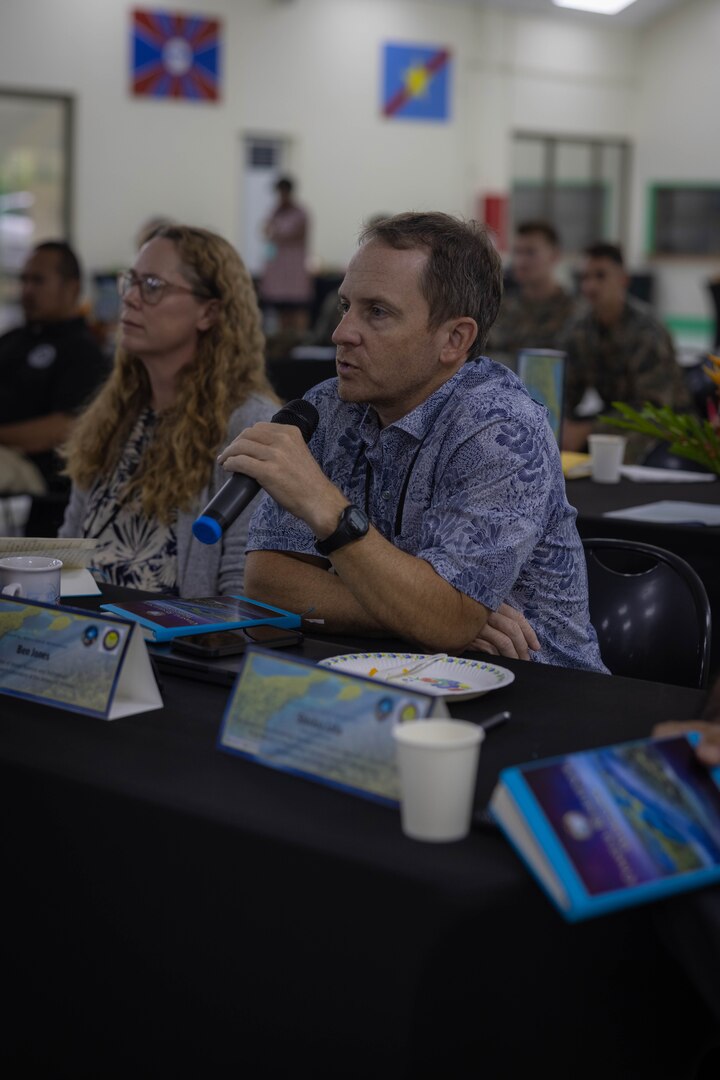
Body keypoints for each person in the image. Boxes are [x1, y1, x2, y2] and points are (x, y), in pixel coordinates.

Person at [219, 212, 605, 672]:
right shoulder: (328, 406)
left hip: (541, 689)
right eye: (346, 306)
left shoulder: (502, 428)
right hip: (400, 673)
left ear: (454, 339)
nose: (341, 333)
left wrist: (326, 507)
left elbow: (445, 621)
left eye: (377, 312)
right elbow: (267, 583)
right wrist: (418, 614)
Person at [59, 225, 277, 595]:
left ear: (209, 313)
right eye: (131, 281)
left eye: (154, 286)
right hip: (84, 636)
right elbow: (66, 557)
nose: (129, 299)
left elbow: (241, 595)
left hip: (175, 647)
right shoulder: (115, 413)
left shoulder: (250, 426)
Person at [562, 242, 691, 460]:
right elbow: (567, 392)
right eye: (584, 277)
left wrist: (587, 429)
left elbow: (654, 409)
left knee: (618, 448)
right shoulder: (579, 330)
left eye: (600, 276)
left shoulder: (647, 332)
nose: (590, 286)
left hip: (668, 423)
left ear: (623, 280)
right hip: (618, 417)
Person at [0, 241, 109, 494]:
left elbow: (63, 429)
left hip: (35, 471)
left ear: (72, 288)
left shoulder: (83, 351)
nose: (27, 290)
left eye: (37, 281)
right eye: (24, 280)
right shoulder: (13, 339)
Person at [486, 221, 578, 363]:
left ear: (554, 256)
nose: (521, 261)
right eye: (517, 252)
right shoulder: (500, 310)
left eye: (531, 252)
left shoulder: (575, 312)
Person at [259, 176, 313, 333]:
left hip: (294, 271)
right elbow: (266, 232)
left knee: (297, 309)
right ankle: (284, 343)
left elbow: (291, 233)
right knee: (281, 310)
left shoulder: (300, 213)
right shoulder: (275, 212)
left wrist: (275, 231)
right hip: (278, 272)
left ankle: (299, 340)